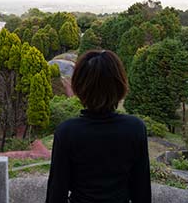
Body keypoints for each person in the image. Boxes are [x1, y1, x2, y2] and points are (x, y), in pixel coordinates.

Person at [46, 50, 151, 203]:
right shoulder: (135, 128)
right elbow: (142, 192)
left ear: (79, 87)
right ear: (119, 84)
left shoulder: (67, 132)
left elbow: (56, 193)